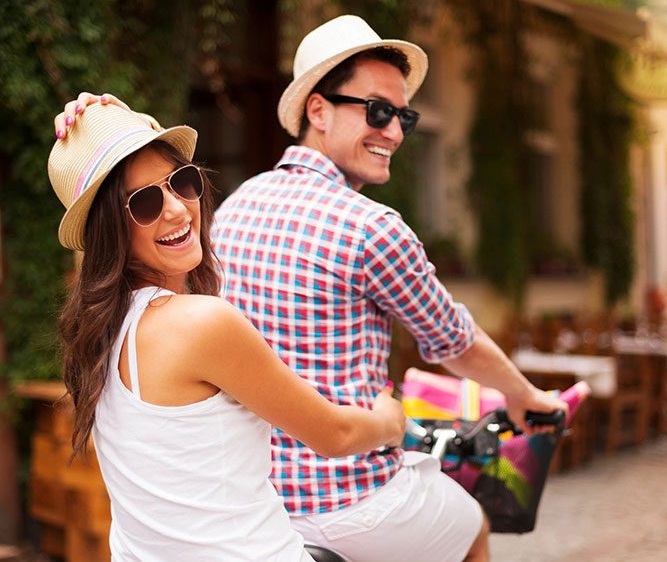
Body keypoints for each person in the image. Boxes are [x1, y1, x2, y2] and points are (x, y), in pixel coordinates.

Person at [58, 15, 567, 561]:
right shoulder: (370, 228)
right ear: (317, 110)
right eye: (377, 110)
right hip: (342, 496)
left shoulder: (226, 218)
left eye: (183, 183)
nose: (394, 131)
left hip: (265, 496)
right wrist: (504, 399)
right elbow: (449, 343)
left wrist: (100, 128)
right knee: (472, 525)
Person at [49, 99, 405, 561]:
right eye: (146, 203)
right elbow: (334, 435)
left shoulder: (100, 335)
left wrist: (109, 120)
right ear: (108, 229)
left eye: (182, 182)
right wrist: (389, 420)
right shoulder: (200, 323)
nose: (177, 209)